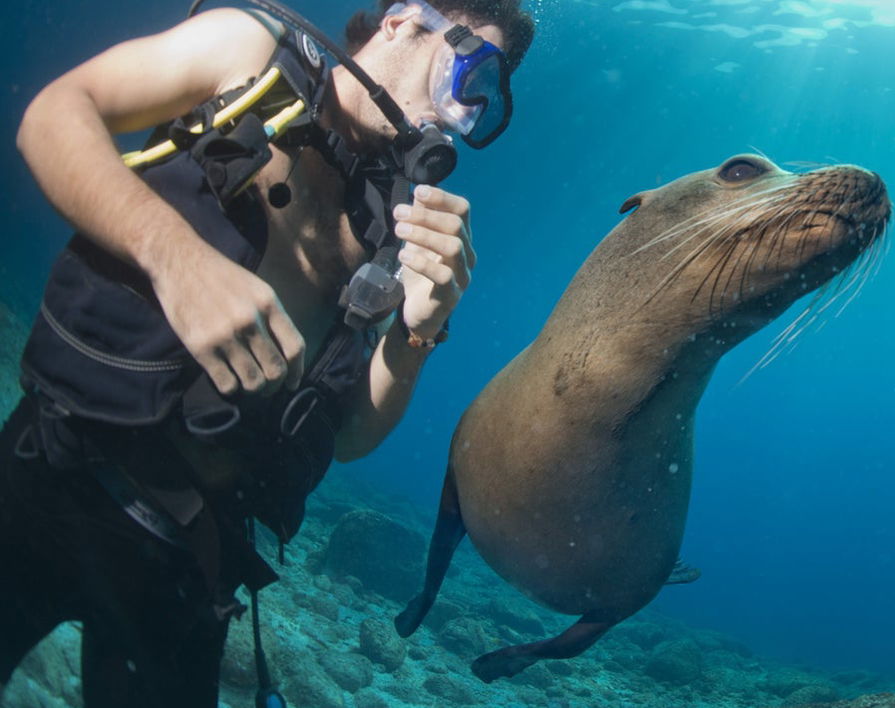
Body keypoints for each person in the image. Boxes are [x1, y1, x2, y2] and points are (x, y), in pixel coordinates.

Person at [0, 0, 533, 705]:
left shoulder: (394, 209)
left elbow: (348, 437)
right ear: (404, 19)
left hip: (196, 555)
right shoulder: (249, 48)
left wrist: (419, 332)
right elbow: (56, 113)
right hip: (57, 474)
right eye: (468, 77)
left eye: (484, 106)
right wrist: (175, 259)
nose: (462, 116)